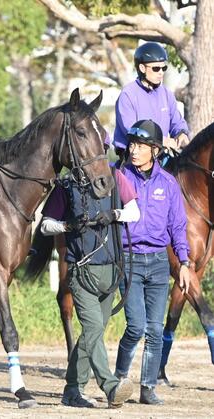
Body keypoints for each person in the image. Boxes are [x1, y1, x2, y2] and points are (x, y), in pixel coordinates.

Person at [40, 165, 140, 408]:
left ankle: (72, 389)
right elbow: (45, 226)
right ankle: (110, 386)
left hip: (111, 269)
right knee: (94, 327)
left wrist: (115, 214)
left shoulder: (117, 177)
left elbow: (134, 213)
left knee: (93, 333)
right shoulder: (65, 186)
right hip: (81, 271)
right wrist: (67, 226)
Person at [114, 119, 191, 405]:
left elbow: (178, 226)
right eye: (132, 144)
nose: (134, 150)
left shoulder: (169, 184)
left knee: (156, 330)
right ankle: (118, 380)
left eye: (141, 146)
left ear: (155, 150)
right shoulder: (119, 176)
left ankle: (148, 388)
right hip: (130, 261)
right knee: (135, 326)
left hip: (159, 262)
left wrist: (184, 262)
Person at [113, 42, 190, 159]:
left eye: (164, 68)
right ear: (142, 68)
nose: (161, 72)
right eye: (156, 68)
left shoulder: (166, 94)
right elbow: (132, 131)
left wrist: (181, 133)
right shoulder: (127, 95)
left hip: (160, 156)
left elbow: (177, 122)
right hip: (132, 159)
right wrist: (162, 140)